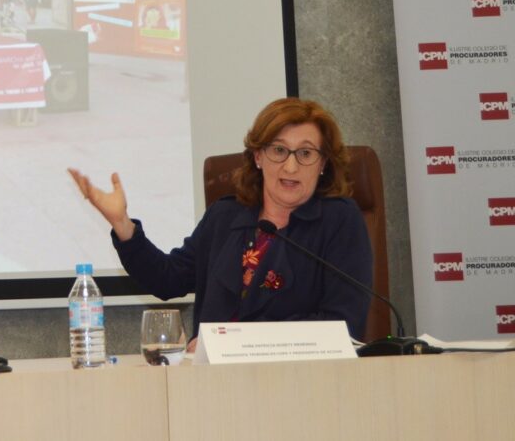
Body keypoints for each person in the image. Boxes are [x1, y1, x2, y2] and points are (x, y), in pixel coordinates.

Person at [68, 97, 373, 344]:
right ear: (258, 157)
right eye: (279, 150)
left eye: (305, 153)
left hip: (298, 385)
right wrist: (122, 224)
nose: (290, 166)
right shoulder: (227, 216)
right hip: (214, 386)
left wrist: (231, 344)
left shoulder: (339, 220)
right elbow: (167, 279)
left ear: (322, 164)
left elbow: (342, 324)